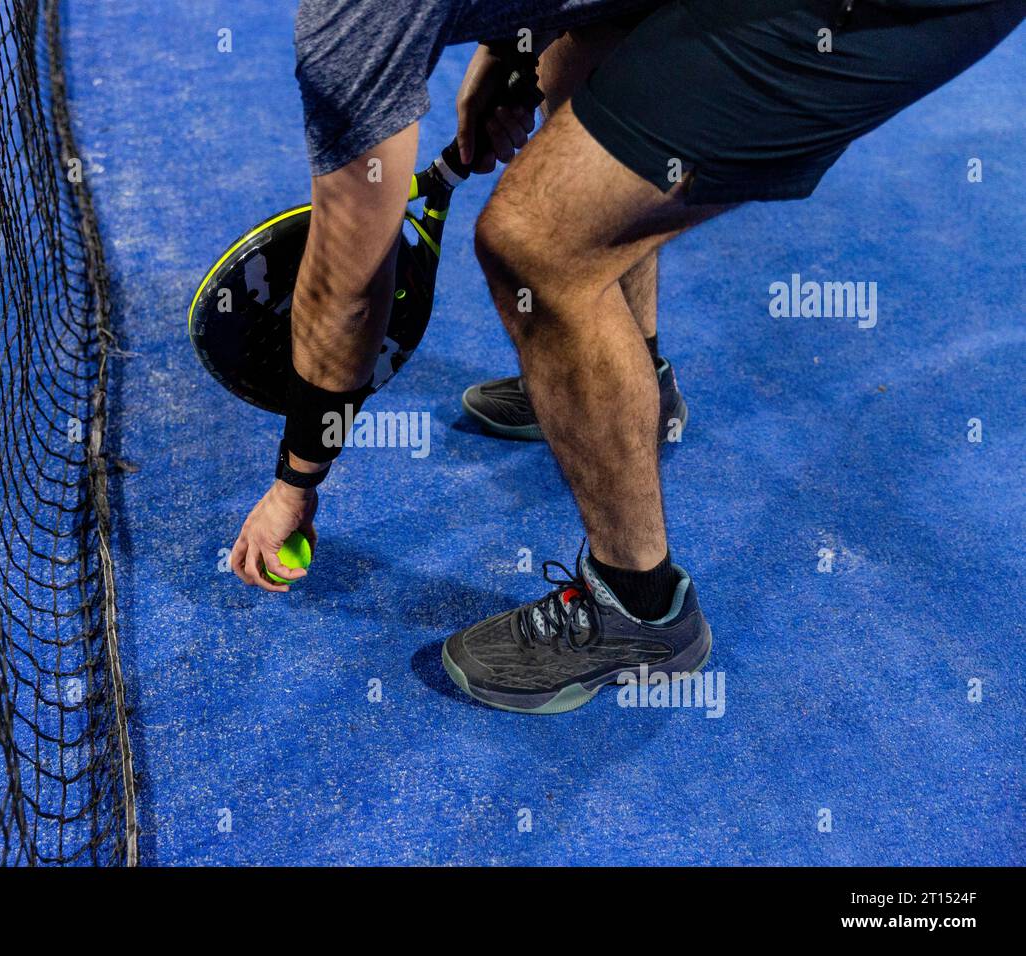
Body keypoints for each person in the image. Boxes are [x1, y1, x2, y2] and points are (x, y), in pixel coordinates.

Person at [229, 0, 1026, 714]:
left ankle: (640, 608)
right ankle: (631, 385)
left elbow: (349, 292)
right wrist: (512, 49)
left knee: (535, 243)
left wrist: (296, 482)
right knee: (581, 73)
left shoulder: (350, 21)